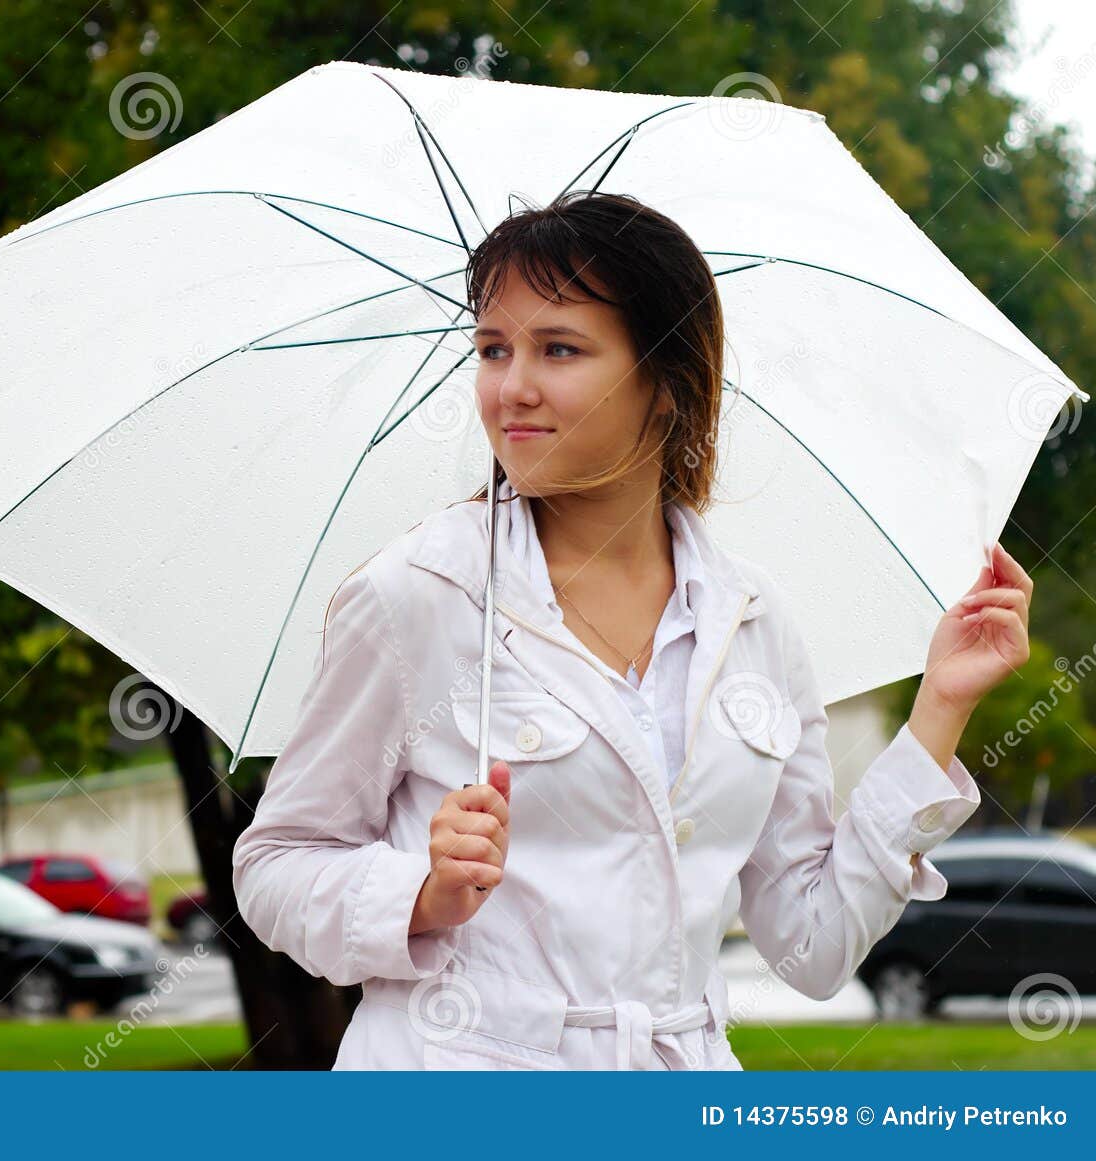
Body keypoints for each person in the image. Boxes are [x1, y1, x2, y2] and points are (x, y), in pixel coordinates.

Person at [229, 190, 1031, 1070]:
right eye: (493, 348)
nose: (512, 387)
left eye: (559, 348)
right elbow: (276, 864)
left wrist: (938, 714)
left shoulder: (753, 624)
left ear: (667, 383)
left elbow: (813, 948)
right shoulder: (416, 595)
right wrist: (417, 890)